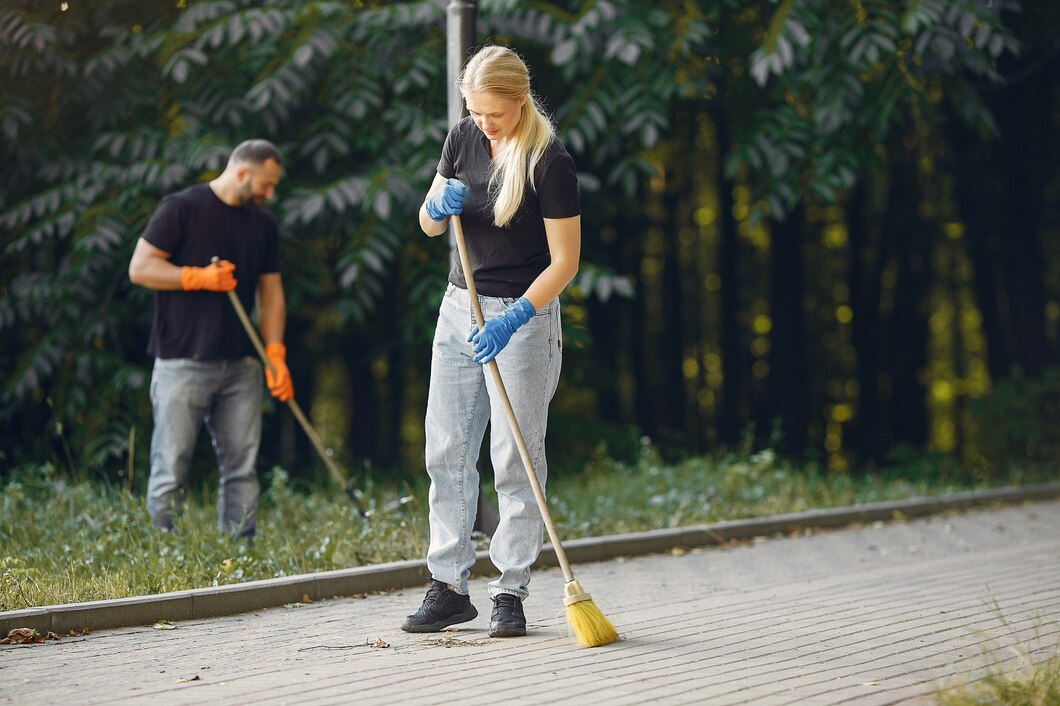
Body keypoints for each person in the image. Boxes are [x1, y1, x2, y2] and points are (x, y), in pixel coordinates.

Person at [401, 45, 581, 638]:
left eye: (494, 115)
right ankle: (449, 585)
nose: (484, 125)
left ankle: (511, 590)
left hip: (522, 317)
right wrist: (435, 204)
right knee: (447, 449)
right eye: (475, 113)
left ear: (521, 102)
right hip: (459, 308)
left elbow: (565, 263)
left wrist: (515, 318)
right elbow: (430, 223)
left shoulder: (550, 162)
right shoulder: (461, 139)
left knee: (516, 457)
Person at [128, 139, 293, 540]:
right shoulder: (181, 208)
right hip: (181, 359)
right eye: (265, 185)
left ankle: (242, 550)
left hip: (242, 365)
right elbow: (141, 268)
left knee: (242, 466)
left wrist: (275, 352)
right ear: (242, 172)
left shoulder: (262, 224)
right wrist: (194, 277)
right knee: (171, 464)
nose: (269, 194)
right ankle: (162, 552)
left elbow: (270, 292)